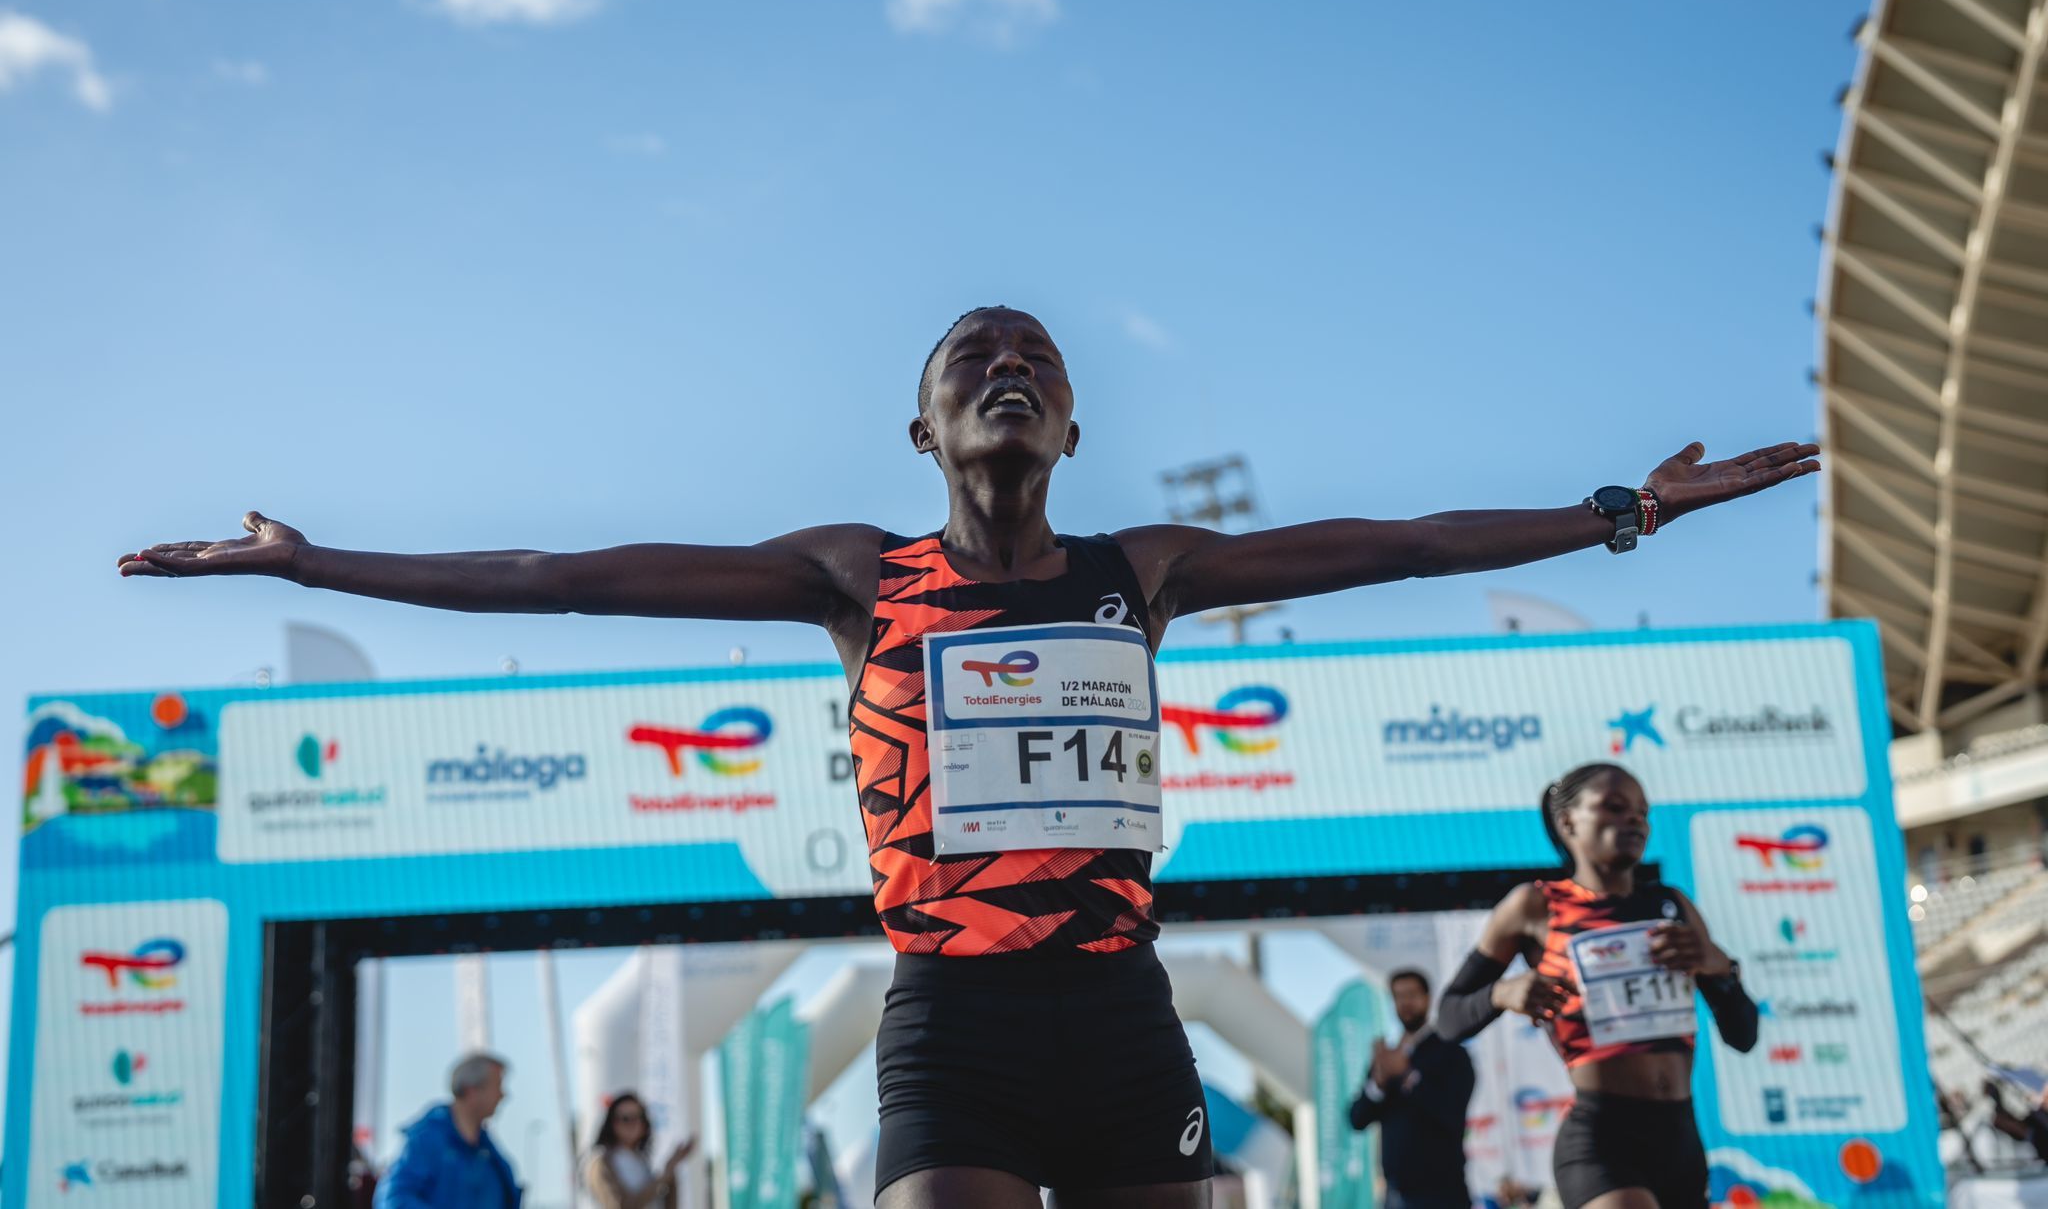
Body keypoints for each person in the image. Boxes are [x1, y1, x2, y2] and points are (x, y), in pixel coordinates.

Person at [122, 307, 1816, 1209]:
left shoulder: (1137, 569)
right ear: (922, 430)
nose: (1004, 372)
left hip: (1119, 1005)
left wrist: (1620, 513)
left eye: (1035, 364)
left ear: (1070, 431)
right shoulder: (854, 576)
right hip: (949, 1014)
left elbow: (1391, 544)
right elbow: (555, 575)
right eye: (969, 362)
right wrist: (318, 561)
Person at [1435, 764, 1758, 1209]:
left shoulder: (1671, 905)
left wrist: (1717, 965)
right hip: (1602, 1139)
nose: (1635, 821)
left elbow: (1744, 1036)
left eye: (1643, 813)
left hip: (1681, 1140)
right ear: (1567, 822)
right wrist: (1502, 993)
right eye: (1615, 807)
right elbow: (1449, 1019)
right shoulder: (1535, 905)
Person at [1347, 969, 1474, 1209]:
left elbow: (1452, 1112)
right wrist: (1379, 1084)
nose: (1405, 1003)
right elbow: (1357, 1118)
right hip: (1395, 1195)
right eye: (1398, 996)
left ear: (1427, 998)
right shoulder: (1387, 1057)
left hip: (1442, 1193)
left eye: (1412, 995)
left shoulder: (1450, 1052)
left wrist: (1408, 1075)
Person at [374, 1052, 521, 1209]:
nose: (502, 1095)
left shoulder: (489, 1154)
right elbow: (393, 1201)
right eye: (497, 1086)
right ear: (471, 1090)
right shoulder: (426, 1142)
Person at [585, 1091, 697, 1209]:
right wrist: (665, 1175)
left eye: (639, 1117)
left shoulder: (641, 1162)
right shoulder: (600, 1163)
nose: (633, 1123)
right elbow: (621, 1206)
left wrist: (672, 1171)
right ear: (613, 1123)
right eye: (626, 1119)